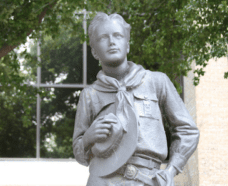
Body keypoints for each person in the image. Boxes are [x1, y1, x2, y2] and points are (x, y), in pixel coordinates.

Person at [72, 12, 200, 186]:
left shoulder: (156, 82)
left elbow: (188, 130)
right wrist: (88, 137)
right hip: (101, 180)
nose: (111, 42)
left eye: (118, 36)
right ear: (94, 51)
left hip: (147, 179)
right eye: (103, 38)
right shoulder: (90, 94)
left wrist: (171, 170)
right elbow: (80, 155)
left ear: (128, 45)